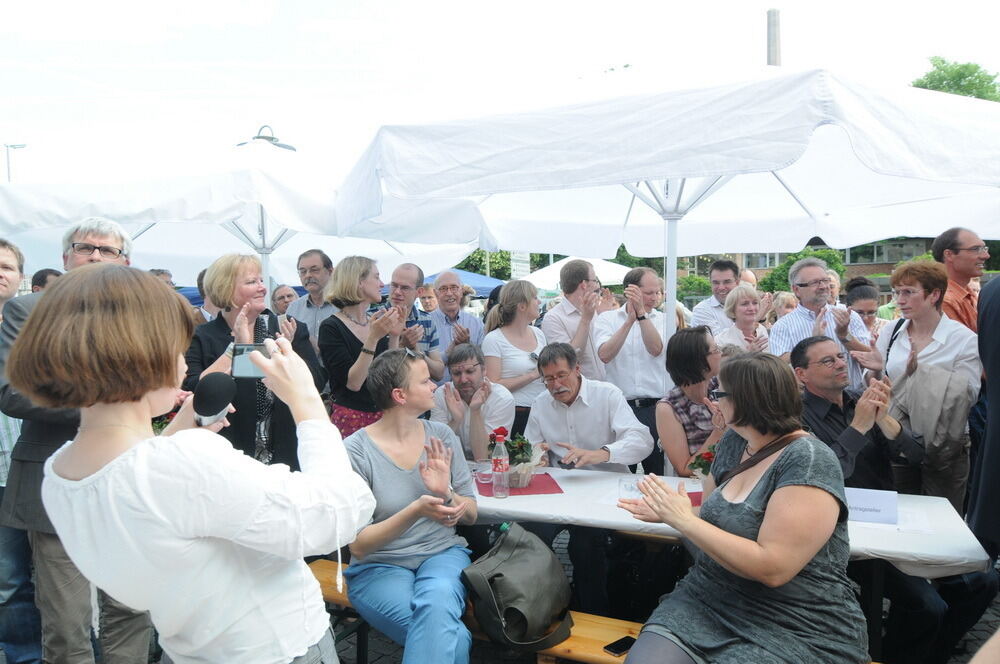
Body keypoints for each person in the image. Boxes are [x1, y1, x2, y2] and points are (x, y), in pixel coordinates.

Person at [7, 263, 375, 664]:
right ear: (140, 352)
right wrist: (306, 404)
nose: (185, 363)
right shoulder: (183, 465)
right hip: (276, 649)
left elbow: (136, 474)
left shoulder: (60, 472)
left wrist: (181, 427)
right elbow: (337, 514)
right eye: (177, 346)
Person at [619, 353, 868, 664]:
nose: (713, 401)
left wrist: (683, 520)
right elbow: (715, 518)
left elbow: (774, 567)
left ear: (747, 400)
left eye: (718, 393)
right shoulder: (734, 442)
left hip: (794, 621)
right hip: (707, 599)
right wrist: (673, 511)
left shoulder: (808, 459)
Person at [0, 218, 153, 663]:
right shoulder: (28, 310)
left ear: (124, 262)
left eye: (108, 251)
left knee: (131, 609)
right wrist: (109, 406)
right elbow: (13, 391)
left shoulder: (139, 317)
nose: (96, 257)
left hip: (128, 483)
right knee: (65, 625)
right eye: (86, 248)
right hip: (56, 481)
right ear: (66, 257)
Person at [793, 335, 995, 664]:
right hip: (840, 533)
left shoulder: (862, 400)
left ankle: (925, 651)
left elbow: (917, 456)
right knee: (927, 606)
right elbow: (825, 473)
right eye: (828, 361)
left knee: (982, 582)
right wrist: (859, 426)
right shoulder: (797, 418)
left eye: (841, 357)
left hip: (890, 521)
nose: (841, 364)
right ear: (802, 374)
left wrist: (886, 419)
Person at [343, 349, 477, 664]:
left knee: (437, 606)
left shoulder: (442, 436)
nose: (435, 385)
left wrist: (447, 494)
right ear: (400, 395)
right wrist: (416, 509)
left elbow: (471, 513)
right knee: (452, 636)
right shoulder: (355, 451)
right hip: (379, 566)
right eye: (425, 380)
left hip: (442, 555)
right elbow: (358, 546)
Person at [524, 343, 653, 616]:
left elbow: (643, 441)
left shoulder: (606, 395)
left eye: (561, 375)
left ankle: (594, 615)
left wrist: (602, 454)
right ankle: (545, 607)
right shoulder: (540, 404)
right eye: (548, 379)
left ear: (577, 370)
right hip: (559, 492)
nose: (556, 385)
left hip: (604, 491)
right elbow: (530, 448)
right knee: (530, 536)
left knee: (584, 545)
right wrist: (537, 458)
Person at [852, 260, 981, 511]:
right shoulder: (892, 330)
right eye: (898, 292)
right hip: (897, 436)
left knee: (943, 515)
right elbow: (876, 381)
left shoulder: (963, 339)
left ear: (934, 295)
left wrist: (918, 374)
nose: (900, 300)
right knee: (900, 510)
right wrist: (877, 370)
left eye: (909, 292)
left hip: (944, 442)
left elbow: (968, 395)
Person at [183, 254, 324, 469]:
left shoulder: (286, 327)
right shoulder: (203, 336)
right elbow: (195, 391)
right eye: (252, 282)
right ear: (225, 289)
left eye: (261, 280)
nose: (263, 288)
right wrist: (236, 348)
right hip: (229, 458)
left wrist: (288, 354)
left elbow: (317, 382)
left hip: (286, 456)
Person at [0, 239, 42, 663]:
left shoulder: (36, 325)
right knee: (9, 579)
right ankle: (24, 656)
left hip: (36, 468)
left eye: (7, 266)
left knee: (53, 576)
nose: (0, 272)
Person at [596, 267, 671, 475]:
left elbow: (656, 349)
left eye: (658, 292)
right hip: (620, 406)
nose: (654, 297)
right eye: (649, 293)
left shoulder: (665, 320)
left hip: (655, 408)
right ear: (631, 291)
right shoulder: (607, 320)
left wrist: (642, 317)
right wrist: (629, 321)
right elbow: (605, 354)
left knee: (658, 472)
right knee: (619, 471)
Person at [319, 256, 403, 437]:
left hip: (384, 416)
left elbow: (391, 374)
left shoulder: (374, 322)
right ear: (359, 282)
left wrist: (394, 336)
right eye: (376, 277)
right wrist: (373, 338)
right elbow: (354, 383)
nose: (382, 284)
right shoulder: (331, 327)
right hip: (352, 420)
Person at [769, 257, 870, 390]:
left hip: (852, 400)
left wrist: (845, 336)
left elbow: (869, 359)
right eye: (815, 282)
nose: (823, 286)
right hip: (808, 404)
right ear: (796, 289)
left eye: (825, 280)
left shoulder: (848, 315)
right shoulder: (783, 326)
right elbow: (778, 369)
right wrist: (811, 342)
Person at [657, 327, 724, 477]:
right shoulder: (669, 407)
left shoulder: (722, 386)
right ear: (698, 361)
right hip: (699, 487)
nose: (721, 354)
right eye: (716, 350)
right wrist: (719, 431)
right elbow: (685, 469)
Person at [482, 280, 546, 437]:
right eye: (535, 297)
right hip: (515, 414)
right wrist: (533, 375)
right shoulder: (494, 339)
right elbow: (493, 384)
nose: (539, 302)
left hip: (542, 411)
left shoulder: (538, 333)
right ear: (522, 306)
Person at [430, 343, 514, 461]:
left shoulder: (502, 399)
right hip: (451, 465)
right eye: (456, 373)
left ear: (484, 370)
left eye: (470, 371)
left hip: (490, 469)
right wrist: (456, 420)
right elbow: (433, 447)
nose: (463, 380)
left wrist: (475, 411)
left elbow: (484, 457)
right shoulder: (442, 394)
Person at [541, 259, 605, 380]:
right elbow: (568, 358)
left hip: (605, 388)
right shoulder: (553, 318)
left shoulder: (595, 310)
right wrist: (585, 320)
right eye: (595, 280)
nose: (597, 285)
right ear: (584, 284)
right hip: (579, 391)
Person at [387, 263, 445, 381]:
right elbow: (374, 372)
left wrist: (416, 351)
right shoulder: (374, 319)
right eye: (394, 285)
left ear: (419, 292)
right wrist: (402, 345)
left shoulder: (427, 321)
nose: (397, 292)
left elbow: (439, 373)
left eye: (405, 288)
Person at [428, 271, 485, 384]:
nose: (449, 293)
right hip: (435, 394)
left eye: (454, 288)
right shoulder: (426, 323)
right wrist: (448, 353)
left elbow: (483, 362)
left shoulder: (476, 324)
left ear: (461, 290)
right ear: (435, 293)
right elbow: (422, 364)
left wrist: (468, 347)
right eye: (443, 289)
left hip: (470, 393)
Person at [932, 226, 989, 332]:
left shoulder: (968, 293)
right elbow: (964, 345)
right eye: (975, 249)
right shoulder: (944, 300)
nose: (986, 256)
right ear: (949, 255)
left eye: (984, 249)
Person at [286, 249, 338, 354]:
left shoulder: (345, 306)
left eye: (314, 270)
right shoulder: (293, 308)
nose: (308, 275)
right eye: (303, 271)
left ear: (330, 272)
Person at [690, 260, 739, 336]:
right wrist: (754, 320)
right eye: (716, 283)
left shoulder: (749, 305)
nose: (721, 287)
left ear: (737, 283)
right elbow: (717, 343)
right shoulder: (701, 310)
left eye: (727, 282)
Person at [714, 283, 768, 352]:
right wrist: (749, 354)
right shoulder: (721, 341)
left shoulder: (762, 331)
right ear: (732, 309)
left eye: (755, 303)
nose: (751, 308)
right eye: (744, 304)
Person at [845, 277, 887, 342]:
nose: (865, 318)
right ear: (848, 307)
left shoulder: (887, 328)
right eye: (859, 312)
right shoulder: (841, 328)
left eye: (871, 313)